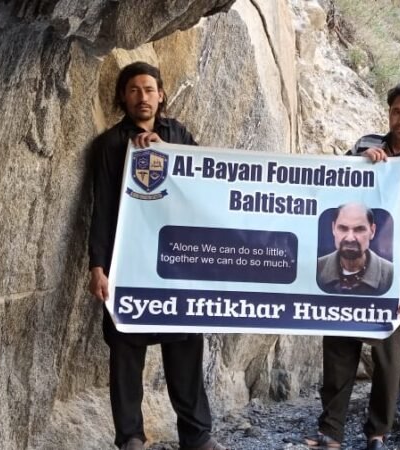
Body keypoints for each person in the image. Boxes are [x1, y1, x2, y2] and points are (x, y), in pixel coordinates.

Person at [88, 61, 225, 450]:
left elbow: (205, 183)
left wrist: (167, 152)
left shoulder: (177, 134)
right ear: (123, 97)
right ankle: (130, 437)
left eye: (149, 89)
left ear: (161, 95)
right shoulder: (110, 144)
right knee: (125, 353)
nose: (142, 97)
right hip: (128, 263)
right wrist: (97, 266)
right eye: (134, 90)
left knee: (185, 349)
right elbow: (101, 209)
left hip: (175, 263)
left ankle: (197, 437)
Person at [306, 82, 400, 450]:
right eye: (397, 111)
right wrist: (359, 164)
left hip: (396, 278)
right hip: (345, 268)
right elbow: (334, 190)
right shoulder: (365, 145)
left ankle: (377, 433)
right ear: (389, 112)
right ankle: (330, 432)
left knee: (387, 360)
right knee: (339, 351)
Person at [317, 203, 394, 295]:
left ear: (372, 231)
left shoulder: (391, 275)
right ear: (333, 229)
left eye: (359, 229)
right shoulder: (316, 268)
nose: (350, 238)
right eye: (343, 228)